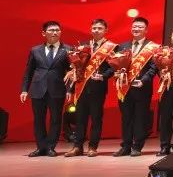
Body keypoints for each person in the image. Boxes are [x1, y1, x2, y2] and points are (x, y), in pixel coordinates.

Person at [20, 21, 71, 157]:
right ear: (44, 33)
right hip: (38, 89)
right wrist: (24, 89)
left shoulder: (67, 50)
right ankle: (41, 147)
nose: (55, 33)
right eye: (51, 30)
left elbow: (72, 73)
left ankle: (50, 147)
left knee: (55, 119)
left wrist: (69, 90)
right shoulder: (35, 50)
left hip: (57, 89)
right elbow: (28, 72)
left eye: (57, 30)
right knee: (38, 120)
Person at [65, 19, 114, 157]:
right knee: (79, 118)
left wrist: (103, 76)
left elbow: (113, 67)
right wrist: (70, 89)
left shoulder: (111, 47)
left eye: (99, 28)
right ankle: (77, 147)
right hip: (81, 87)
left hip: (98, 87)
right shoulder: (83, 46)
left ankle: (93, 147)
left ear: (106, 30)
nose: (96, 30)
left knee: (96, 118)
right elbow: (76, 69)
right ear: (91, 29)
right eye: (94, 28)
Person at [113, 17, 159, 157]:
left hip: (142, 88)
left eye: (140, 27)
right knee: (126, 118)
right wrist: (117, 73)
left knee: (140, 117)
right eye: (134, 26)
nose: (136, 29)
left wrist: (143, 80)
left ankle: (137, 146)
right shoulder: (123, 46)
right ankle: (126, 146)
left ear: (146, 30)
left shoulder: (153, 47)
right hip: (125, 88)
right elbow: (117, 65)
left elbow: (154, 68)